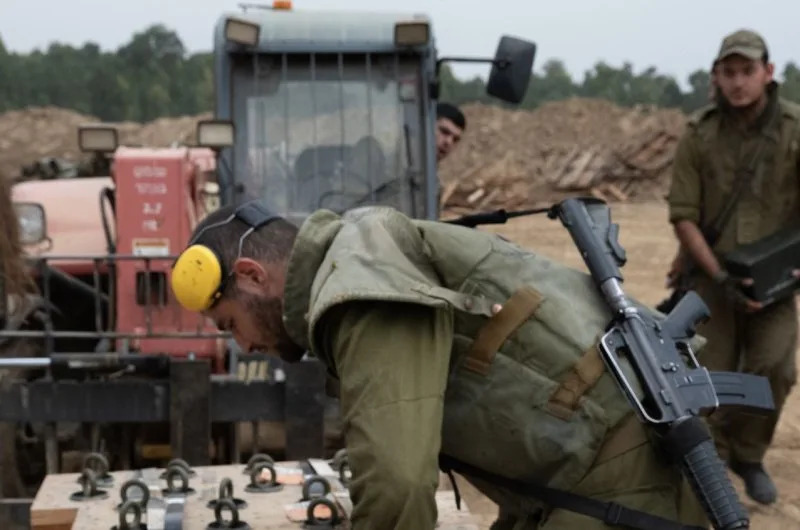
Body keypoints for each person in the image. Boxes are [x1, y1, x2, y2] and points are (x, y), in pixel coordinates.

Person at [170, 200, 710, 530]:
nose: (241, 345)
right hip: (578, 469)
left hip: (619, 474)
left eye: (229, 323)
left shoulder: (357, 289)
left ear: (251, 275)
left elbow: (398, 486)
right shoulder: (358, 255)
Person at [667, 28, 800, 505]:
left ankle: (749, 454)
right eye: (729, 72)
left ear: (768, 73)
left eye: (748, 71)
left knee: (775, 369)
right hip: (712, 277)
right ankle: (715, 457)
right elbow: (683, 213)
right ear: (716, 78)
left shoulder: (793, 129)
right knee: (706, 376)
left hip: (778, 282)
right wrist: (718, 277)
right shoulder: (699, 134)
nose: (739, 82)